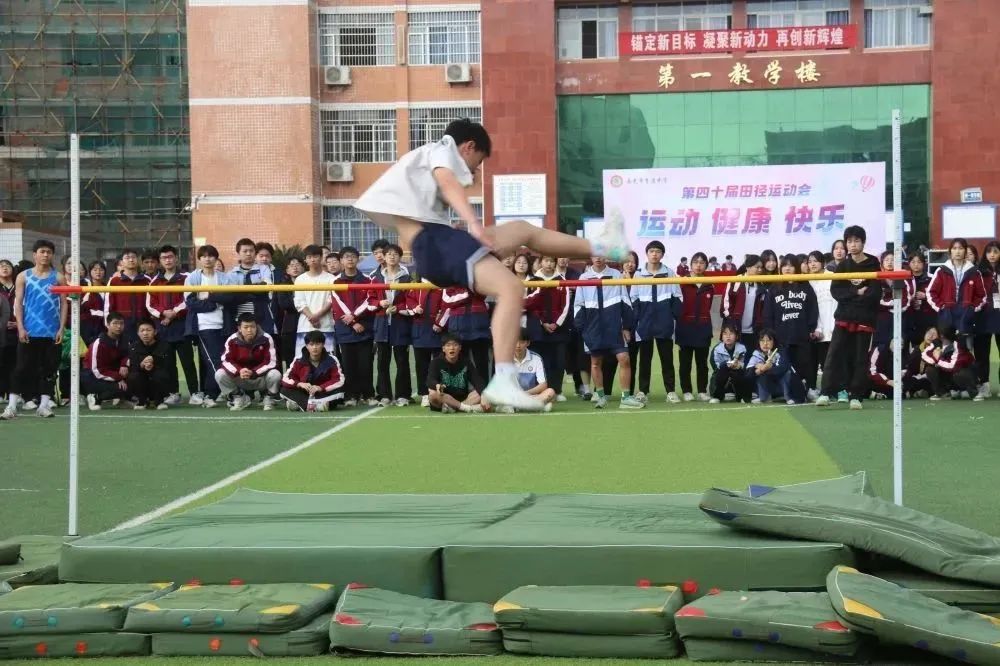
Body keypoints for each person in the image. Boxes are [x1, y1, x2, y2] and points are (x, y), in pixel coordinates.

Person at [353, 118, 629, 411]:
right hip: (436, 243)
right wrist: (473, 223)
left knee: (524, 230)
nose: (474, 172)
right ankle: (504, 380)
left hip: (438, 244)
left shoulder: (418, 166)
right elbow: (448, 180)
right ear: (469, 146)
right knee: (511, 288)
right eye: (477, 162)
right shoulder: (442, 149)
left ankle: (604, 245)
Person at [816, 226, 881, 410]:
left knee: (860, 357)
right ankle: (825, 393)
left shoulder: (873, 263)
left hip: (864, 318)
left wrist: (855, 296)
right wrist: (856, 292)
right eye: (849, 241)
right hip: (844, 317)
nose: (852, 245)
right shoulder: (843, 265)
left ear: (863, 242)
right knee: (834, 354)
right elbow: (836, 291)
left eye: (856, 241)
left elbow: (875, 292)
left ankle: (856, 396)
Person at [1, 240, 67, 420]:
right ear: (35, 255)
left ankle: (44, 406)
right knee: (21, 368)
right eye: (42, 251)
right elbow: (18, 303)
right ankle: (12, 406)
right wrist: (21, 327)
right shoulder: (23, 276)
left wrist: (61, 328)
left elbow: (63, 305)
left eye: (49, 252)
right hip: (29, 332)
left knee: (49, 370)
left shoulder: (59, 277)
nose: (46, 255)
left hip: (52, 332)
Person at [574, 256, 643, 410]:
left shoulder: (616, 275)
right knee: (595, 363)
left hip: (614, 326)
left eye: (601, 254)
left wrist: (626, 326)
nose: (598, 258)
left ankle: (626, 398)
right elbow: (578, 304)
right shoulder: (583, 277)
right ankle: (600, 395)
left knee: (624, 358)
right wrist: (582, 328)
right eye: (594, 254)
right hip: (593, 327)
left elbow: (625, 301)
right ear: (590, 257)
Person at [183, 244, 234, 408]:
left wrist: (208, 296)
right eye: (204, 256)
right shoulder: (193, 278)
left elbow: (228, 299)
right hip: (204, 327)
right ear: (199, 259)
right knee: (214, 362)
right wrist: (213, 304)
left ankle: (210, 393)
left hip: (223, 326)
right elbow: (191, 303)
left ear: (216, 258)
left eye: (211, 256)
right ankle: (214, 394)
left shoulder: (224, 278)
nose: (208, 259)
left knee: (221, 360)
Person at [632, 240, 681, 404]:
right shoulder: (638, 274)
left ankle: (671, 392)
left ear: (662, 254)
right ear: (647, 254)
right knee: (644, 360)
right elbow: (634, 298)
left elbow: (677, 297)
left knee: (667, 359)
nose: (654, 254)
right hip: (644, 323)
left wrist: (672, 316)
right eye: (651, 251)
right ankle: (643, 391)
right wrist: (638, 319)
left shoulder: (670, 273)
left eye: (658, 251)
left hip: (664, 323)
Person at [764, 255, 819, 399]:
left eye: (791, 265)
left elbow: (813, 308)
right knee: (783, 366)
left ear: (796, 268)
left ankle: (810, 389)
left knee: (805, 364)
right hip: (781, 336)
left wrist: (811, 329)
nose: (787, 268)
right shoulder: (774, 287)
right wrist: (771, 335)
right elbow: (768, 313)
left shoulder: (805, 285)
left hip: (801, 335)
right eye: (784, 265)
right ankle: (783, 391)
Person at [147, 245, 196, 406]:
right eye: (164, 258)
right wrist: (163, 314)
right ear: (160, 261)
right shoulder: (154, 281)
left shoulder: (186, 277)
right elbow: (150, 304)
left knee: (188, 362)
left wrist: (174, 313)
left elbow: (189, 299)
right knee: (168, 364)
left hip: (182, 327)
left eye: (170, 257)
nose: (167, 260)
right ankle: (173, 392)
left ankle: (195, 393)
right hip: (163, 328)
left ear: (176, 258)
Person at [331, 246, 377, 406]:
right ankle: (351, 395)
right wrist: (352, 321)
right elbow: (338, 304)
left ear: (358, 259)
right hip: (345, 329)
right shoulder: (335, 281)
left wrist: (356, 318)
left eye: (353, 256)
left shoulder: (367, 280)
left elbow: (369, 300)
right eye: (346, 257)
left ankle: (368, 394)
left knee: (366, 363)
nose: (350, 259)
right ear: (341, 261)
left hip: (365, 328)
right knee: (348, 364)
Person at [524, 255, 571, 402]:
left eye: (552, 261)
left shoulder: (562, 281)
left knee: (559, 360)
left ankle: (556, 390)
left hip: (559, 328)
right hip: (538, 328)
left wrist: (556, 323)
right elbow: (530, 305)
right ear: (541, 262)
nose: (549, 264)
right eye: (546, 261)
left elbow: (566, 305)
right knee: (541, 360)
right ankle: (540, 391)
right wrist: (542, 322)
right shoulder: (532, 281)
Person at [371, 243, 413, 406]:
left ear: (400, 257)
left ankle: (403, 394)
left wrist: (399, 308)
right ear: (384, 256)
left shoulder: (406, 277)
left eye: (395, 254)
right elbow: (371, 299)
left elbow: (411, 299)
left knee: (402, 361)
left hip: (400, 323)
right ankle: (384, 395)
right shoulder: (377, 278)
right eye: (389, 254)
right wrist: (379, 302)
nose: (392, 256)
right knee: (382, 362)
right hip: (382, 325)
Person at [927, 237, 987, 346]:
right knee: (946, 352)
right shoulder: (942, 271)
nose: (958, 251)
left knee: (966, 352)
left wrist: (972, 308)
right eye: (954, 248)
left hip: (966, 317)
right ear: (950, 251)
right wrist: (941, 307)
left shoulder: (974, 272)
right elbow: (931, 292)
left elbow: (982, 296)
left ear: (965, 251)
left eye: (961, 248)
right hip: (947, 316)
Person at [216, 313, 281, 411]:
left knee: (275, 374)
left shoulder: (267, 338)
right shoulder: (232, 340)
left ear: (257, 326)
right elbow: (226, 361)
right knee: (219, 374)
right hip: (240, 377)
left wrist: (254, 372)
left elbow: (271, 362)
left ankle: (269, 398)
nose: (249, 330)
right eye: (246, 327)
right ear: (239, 328)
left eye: (252, 327)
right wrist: (239, 371)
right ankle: (239, 397)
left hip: (260, 377)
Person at [402, 277, 445, 408]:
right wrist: (415, 309)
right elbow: (407, 303)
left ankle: (441, 394)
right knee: (421, 366)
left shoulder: (442, 287)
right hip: (419, 331)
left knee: (439, 365)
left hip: (438, 331)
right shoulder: (416, 287)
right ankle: (424, 394)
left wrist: (440, 322)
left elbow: (446, 306)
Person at [676, 252, 714, 402]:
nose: (699, 265)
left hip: (703, 328)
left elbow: (709, 306)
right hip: (685, 327)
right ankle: (686, 390)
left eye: (702, 262)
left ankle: (702, 390)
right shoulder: (682, 282)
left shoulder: (709, 284)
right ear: (690, 265)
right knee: (685, 362)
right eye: (696, 262)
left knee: (702, 363)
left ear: (706, 265)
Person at [280, 329, 346, 412]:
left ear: (323, 344)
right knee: (284, 390)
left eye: (318, 344)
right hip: (304, 393)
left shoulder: (332, 359)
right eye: (311, 344)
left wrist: (320, 388)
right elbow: (285, 379)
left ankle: (300, 404)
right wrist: (299, 384)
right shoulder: (298, 359)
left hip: (322, 393)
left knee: (340, 391)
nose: (314, 347)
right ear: (307, 346)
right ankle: (315, 406)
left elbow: (339, 380)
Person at [495, 329, 556, 413]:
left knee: (550, 392)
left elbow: (543, 385)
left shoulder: (536, 358)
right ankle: (535, 406)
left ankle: (517, 407)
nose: (518, 345)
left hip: (530, 395)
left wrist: (524, 394)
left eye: (522, 342)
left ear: (528, 343)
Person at [426, 334, 488, 413]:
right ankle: (466, 408)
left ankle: (455, 408)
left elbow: (477, 379)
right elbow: (430, 379)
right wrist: (437, 385)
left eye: (455, 345)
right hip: (444, 398)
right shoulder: (436, 362)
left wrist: (483, 394)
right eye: (448, 345)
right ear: (443, 349)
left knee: (481, 393)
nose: (452, 348)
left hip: (463, 398)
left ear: (460, 348)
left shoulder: (466, 362)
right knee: (432, 394)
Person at [439, 285, 491, 377]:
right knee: (460, 366)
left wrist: (473, 286)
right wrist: (466, 293)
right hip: (459, 329)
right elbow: (447, 300)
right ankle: (461, 390)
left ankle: (483, 390)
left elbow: (485, 291)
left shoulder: (479, 274)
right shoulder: (451, 276)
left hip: (479, 327)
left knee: (482, 365)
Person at [82, 311, 130, 411]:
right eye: (115, 323)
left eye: (121, 323)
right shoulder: (98, 343)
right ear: (107, 325)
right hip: (93, 376)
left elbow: (128, 355)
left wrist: (124, 364)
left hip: (112, 374)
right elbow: (96, 371)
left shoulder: (125, 339)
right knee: (120, 388)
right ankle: (95, 397)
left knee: (134, 380)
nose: (119, 326)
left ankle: (120, 399)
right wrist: (118, 378)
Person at [294, 245, 337, 353]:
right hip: (305, 326)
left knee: (328, 360)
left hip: (326, 326)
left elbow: (331, 300)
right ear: (305, 260)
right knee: (303, 362)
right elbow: (299, 302)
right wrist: (311, 317)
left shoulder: (331, 278)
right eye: (309, 257)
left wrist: (317, 316)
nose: (312, 259)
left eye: (315, 256)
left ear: (321, 257)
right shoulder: (300, 279)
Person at [105, 248, 151, 344]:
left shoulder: (147, 280)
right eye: (127, 257)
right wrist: (108, 324)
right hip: (121, 324)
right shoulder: (114, 281)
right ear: (121, 262)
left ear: (138, 260)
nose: (131, 260)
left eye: (133, 257)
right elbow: (108, 305)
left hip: (142, 323)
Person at [720, 254, 764, 353]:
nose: (760, 270)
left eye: (761, 267)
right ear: (748, 267)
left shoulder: (761, 285)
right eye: (757, 267)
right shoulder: (735, 280)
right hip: (735, 331)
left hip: (753, 332)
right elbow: (725, 304)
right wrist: (731, 324)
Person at [923, 327, 981, 401]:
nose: (931, 336)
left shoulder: (959, 346)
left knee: (959, 373)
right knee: (930, 369)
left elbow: (953, 366)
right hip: (949, 376)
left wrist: (938, 359)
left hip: (962, 375)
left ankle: (974, 392)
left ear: (941, 336)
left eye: (934, 334)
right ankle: (943, 393)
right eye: (929, 333)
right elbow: (925, 355)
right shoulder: (936, 344)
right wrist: (936, 360)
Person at [230, 237, 275, 334]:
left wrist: (242, 290)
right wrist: (254, 290)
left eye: (251, 251)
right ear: (238, 253)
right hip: (239, 317)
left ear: (255, 252)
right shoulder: (232, 273)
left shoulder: (264, 269)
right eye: (245, 251)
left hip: (261, 316)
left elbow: (266, 286)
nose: (248, 253)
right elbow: (233, 295)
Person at [127, 319, 172, 409]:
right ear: (138, 333)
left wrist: (153, 362)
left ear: (155, 332)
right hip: (143, 382)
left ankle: (159, 401)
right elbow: (133, 366)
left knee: (162, 375)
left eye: (148, 330)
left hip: (158, 381)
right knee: (133, 376)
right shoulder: (133, 347)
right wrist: (142, 365)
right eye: (142, 330)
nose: (145, 333)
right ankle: (142, 401)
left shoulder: (164, 345)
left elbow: (168, 365)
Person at [974, 241, 1000, 398]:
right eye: (989, 251)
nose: (992, 255)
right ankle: (984, 384)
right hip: (983, 316)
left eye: (996, 251)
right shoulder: (979, 272)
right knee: (982, 353)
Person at [748, 328, 797, 405]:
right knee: (758, 373)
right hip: (770, 385)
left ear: (774, 341)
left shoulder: (781, 351)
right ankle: (763, 397)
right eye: (762, 341)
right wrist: (758, 370)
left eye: (768, 340)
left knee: (787, 373)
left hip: (781, 384)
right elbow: (748, 372)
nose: (765, 344)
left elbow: (782, 368)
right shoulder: (756, 354)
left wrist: (768, 367)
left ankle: (788, 397)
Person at [709, 323, 752, 404]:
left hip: (737, 372)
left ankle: (742, 397)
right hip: (722, 373)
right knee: (721, 371)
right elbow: (715, 365)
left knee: (741, 373)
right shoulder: (717, 349)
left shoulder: (743, 348)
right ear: (722, 336)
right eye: (725, 334)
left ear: (737, 336)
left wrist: (739, 366)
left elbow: (747, 364)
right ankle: (717, 396)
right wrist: (727, 365)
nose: (728, 336)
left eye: (731, 333)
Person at [275, 256, 305, 369]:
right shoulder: (283, 285)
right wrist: (302, 304)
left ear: (303, 268)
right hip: (289, 326)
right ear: (287, 270)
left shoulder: (308, 283)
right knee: (290, 358)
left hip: (307, 322)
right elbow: (284, 304)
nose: (295, 267)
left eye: (298, 264)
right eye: (292, 265)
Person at [0, 259, 16, 403]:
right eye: (1, 266)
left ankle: (16, 395)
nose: (4, 268)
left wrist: (18, 324)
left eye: (7, 265)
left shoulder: (19, 287)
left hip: (17, 332)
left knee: (15, 365)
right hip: (1, 332)